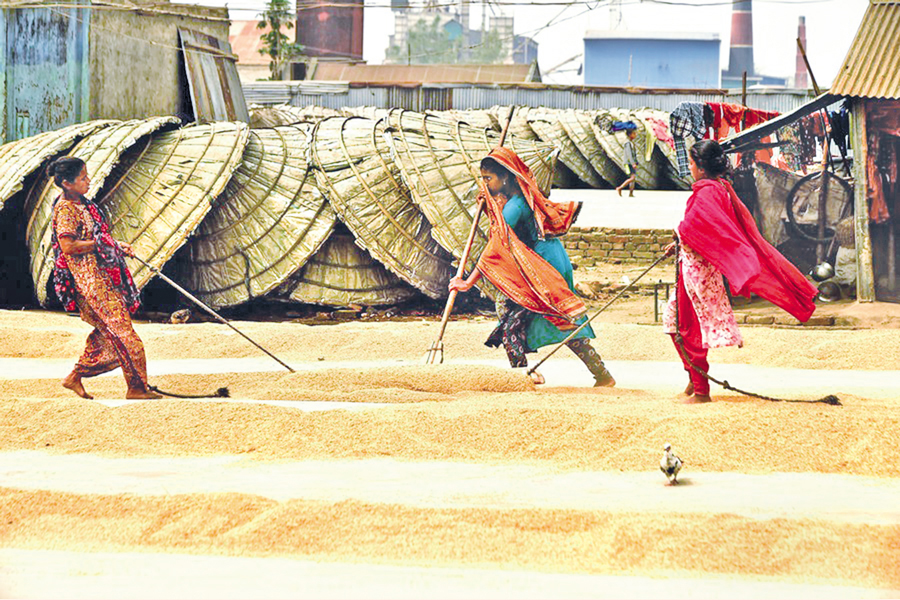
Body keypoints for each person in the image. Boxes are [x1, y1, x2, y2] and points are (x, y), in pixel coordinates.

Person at [662, 140, 818, 403]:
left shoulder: (707, 192)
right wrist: (679, 241)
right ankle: (693, 376)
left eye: (691, 163)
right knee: (674, 322)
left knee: (688, 328)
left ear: (700, 167)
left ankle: (701, 390)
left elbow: (697, 227)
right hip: (693, 268)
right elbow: (706, 227)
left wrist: (682, 236)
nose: (690, 168)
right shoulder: (719, 187)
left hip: (697, 275)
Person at [449, 147, 615, 387]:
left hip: (543, 265)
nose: (485, 184)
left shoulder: (516, 205)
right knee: (556, 317)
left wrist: (467, 281)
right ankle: (600, 374)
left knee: (516, 320)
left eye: (489, 179)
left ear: (504, 177)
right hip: (547, 258)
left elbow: (497, 244)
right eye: (482, 178)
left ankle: (523, 376)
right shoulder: (518, 197)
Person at [49, 157, 161, 400]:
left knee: (109, 336)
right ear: (67, 183)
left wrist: (115, 246)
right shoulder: (65, 209)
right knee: (124, 334)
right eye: (83, 178)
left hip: (100, 277)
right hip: (88, 282)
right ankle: (136, 388)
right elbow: (68, 246)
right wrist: (103, 245)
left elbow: (97, 240)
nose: (88, 181)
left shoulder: (83, 204)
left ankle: (75, 376)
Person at [616, 127, 638, 197]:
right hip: (629, 163)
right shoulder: (628, 144)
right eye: (634, 133)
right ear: (630, 135)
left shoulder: (631, 143)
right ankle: (620, 188)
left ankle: (631, 193)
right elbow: (629, 154)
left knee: (633, 178)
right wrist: (633, 163)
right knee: (632, 178)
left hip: (631, 162)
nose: (635, 135)